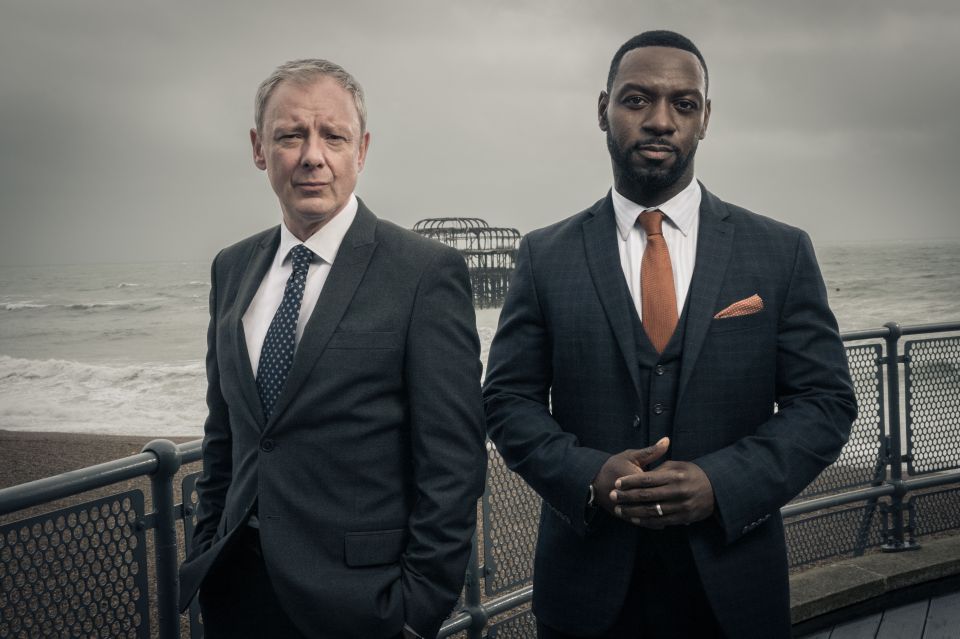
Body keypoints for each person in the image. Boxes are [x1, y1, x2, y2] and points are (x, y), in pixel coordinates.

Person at [483, 31, 856, 639]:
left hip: (734, 586)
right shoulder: (544, 255)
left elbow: (826, 403)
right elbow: (506, 400)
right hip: (586, 591)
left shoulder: (779, 251)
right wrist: (588, 476)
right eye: (636, 100)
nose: (660, 120)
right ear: (602, 108)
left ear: (705, 119)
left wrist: (722, 484)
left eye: (683, 104)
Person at [177, 59, 487, 639]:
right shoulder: (233, 266)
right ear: (258, 148)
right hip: (237, 595)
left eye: (333, 136)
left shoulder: (424, 273)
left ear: (361, 150)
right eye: (290, 135)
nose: (312, 155)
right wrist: (208, 545)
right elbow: (227, 434)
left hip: (363, 604)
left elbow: (454, 460)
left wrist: (416, 612)